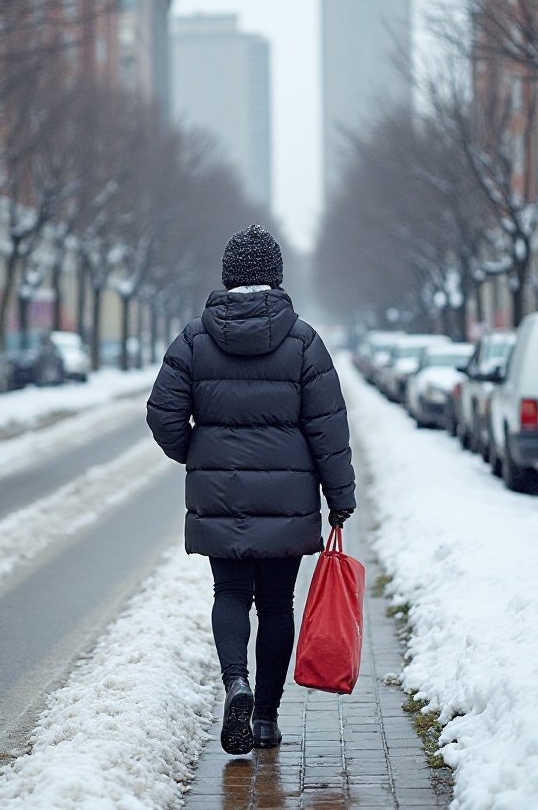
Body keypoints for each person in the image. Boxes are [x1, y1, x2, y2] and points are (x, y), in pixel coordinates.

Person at [146, 224, 356, 756]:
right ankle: (264, 718)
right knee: (277, 604)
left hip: (220, 498)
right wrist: (341, 497)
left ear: (228, 276)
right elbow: (328, 428)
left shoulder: (194, 338)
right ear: (277, 277)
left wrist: (196, 452)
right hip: (288, 502)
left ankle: (234, 681)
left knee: (231, 593)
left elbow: (162, 414)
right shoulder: (304, 340)